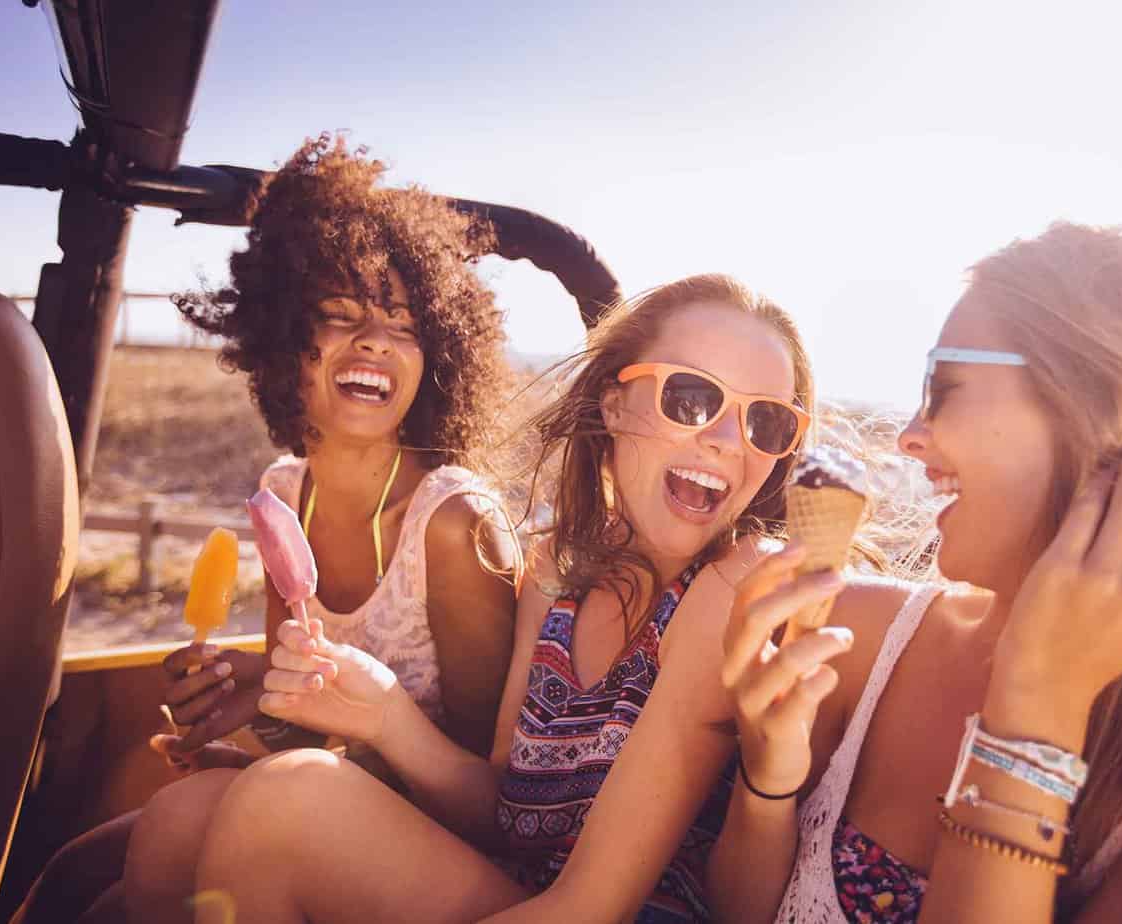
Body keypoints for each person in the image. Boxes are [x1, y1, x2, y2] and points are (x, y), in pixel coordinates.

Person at [711, 222, 1122, 923]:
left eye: (944, 386)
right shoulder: (864, 638)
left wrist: (1033, 712)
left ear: (1110, 415)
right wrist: (767, 785)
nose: (908, 434)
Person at [187, 273, 814, 923]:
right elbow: (506, 817)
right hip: (520, 894)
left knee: (285, 800)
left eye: (766, 421)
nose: (727, 440)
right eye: (691, 398)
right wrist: (384, 717)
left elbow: (593, 906)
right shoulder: (553, 576)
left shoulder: (736, 585)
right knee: (184, 820)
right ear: (613, 404)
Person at [10, 134, 521, 924]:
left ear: (438, 358)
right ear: (283, 343)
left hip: (447, 838)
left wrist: (311, 747)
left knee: (173, 831)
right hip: (330, 786)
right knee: (91, 869)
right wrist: (240, 707)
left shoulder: (452, 527)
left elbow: (501, 796)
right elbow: (296, 722)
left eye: (403, 324)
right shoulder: (285, 497)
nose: (374, 340)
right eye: (339, 315)